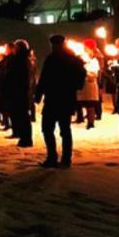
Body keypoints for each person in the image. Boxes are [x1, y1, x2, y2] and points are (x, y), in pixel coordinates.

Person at [34, 35, 87, 168]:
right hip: (61, 99)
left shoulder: (59, 59)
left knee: (58, 129)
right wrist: (39, 93)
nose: (54, 47)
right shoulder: (67, 59)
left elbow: (45, 78)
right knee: (54, 129)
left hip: (59, 98)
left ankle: (59, 158)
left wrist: (39, 93)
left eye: (55, 45)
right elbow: (44, 77)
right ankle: (59, 158)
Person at [3, 39, 34, 147]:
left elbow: (19, 77)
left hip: (19, 92)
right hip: (17, 92)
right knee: (19, 115)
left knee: (23, 116)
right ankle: (23, 137)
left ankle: (26, 139)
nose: (13, 50)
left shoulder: (21, 60)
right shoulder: (19, 59)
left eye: (15, 47)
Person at [76, 42, 101, 130]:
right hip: (83, 86)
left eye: (87, 49)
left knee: (90, 105)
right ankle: (83, 118)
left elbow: (94, 75)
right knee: (85, 104)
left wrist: (85, 72)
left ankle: (91, 122)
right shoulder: (83, 61)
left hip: (90, 85)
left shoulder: (94, 62)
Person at [0, 43, 13, 132]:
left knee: (6, 107)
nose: (5, 50)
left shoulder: (10, 59)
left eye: (6, 48)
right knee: (3, 106)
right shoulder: (5, 59)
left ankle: (8, 124)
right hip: (2, 86)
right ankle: (6, 123)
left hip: (6, 86)